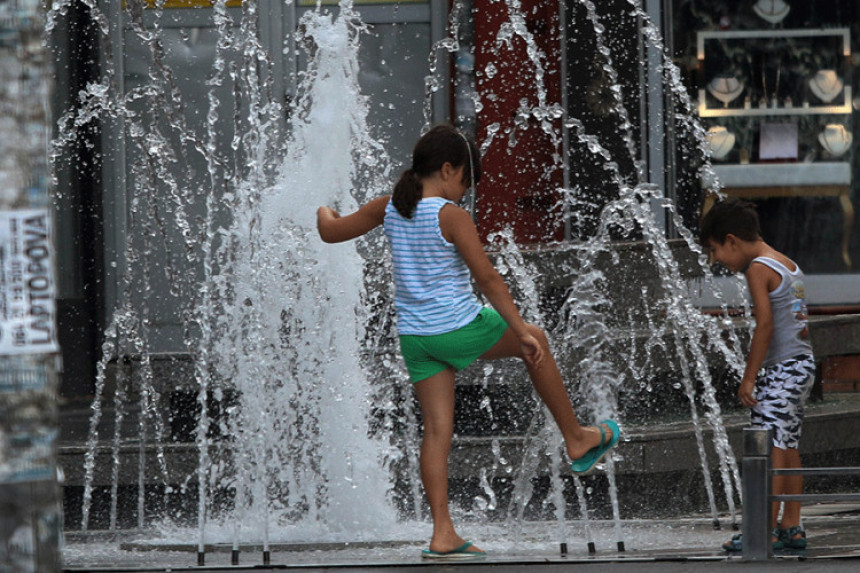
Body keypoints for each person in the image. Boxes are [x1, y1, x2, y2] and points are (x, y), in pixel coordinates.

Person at [317, 124, 619, 559]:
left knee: (437, 431)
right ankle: (575, 437)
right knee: (537, 339)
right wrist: (519, 331)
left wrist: (323, 209)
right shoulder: (450, 216)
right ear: (447, 170)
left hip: (417, 339)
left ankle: (443, 534)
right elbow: (489, 279)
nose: (465, 192)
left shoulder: (387, 208)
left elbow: (331, 231)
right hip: (457, 327)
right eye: (465, 182)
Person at [700, 198, 814, 553]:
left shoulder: (757, 269)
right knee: (789, 445)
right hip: (802, 365)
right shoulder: (787, 263)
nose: (716, 259)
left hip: (781, 371)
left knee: (772, 447)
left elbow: (764, 326)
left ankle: (762, 528)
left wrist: (749, 378)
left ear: (732, 240)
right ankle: (791, 525)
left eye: (716, 249)